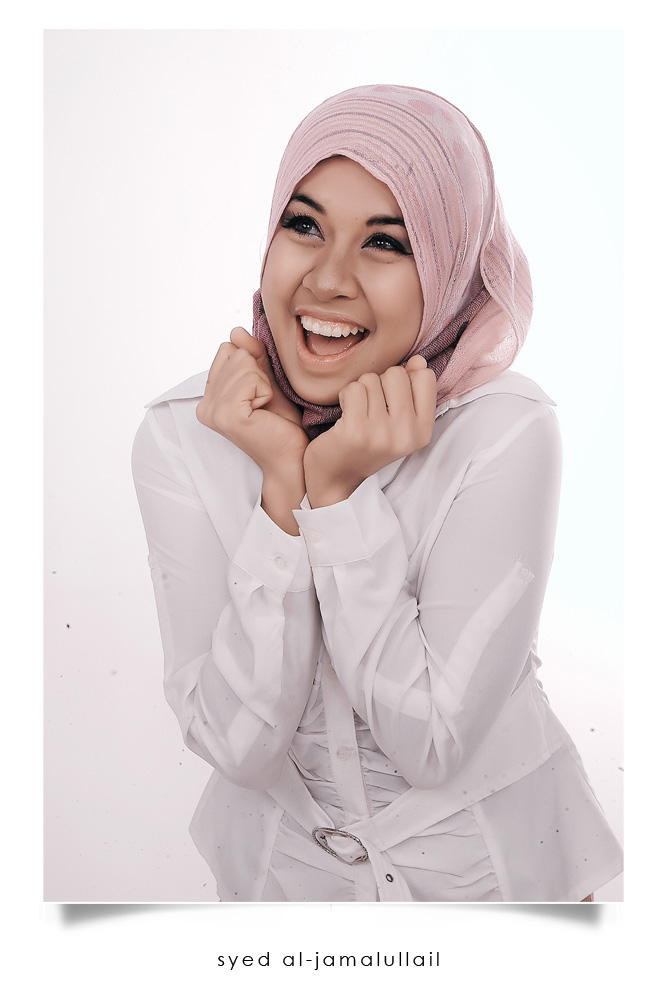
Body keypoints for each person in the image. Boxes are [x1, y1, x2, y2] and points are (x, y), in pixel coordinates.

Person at [132, 84, 623, 902]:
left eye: (386, 242)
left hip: (494, 885)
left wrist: (334, 494)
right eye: (304, 226)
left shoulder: (501, 431)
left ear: (448, 264)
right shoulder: (186, 433)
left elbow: (431, 741)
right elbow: (238, 745)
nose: (328, 279)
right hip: (284, 890)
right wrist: (282, 491)